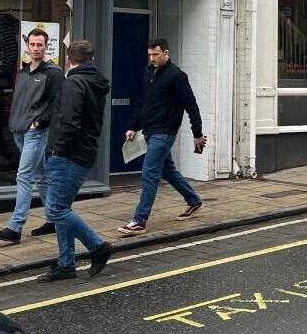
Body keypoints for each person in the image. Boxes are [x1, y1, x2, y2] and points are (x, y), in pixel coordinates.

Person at [39, 40, 114, 282]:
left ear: (69, 60)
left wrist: (57, 149)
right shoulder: (95, 82)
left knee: (56, 210)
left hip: (69, 155)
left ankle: (97, 246)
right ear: (91, 59)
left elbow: (69, 122)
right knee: (62, 208)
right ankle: (66, 264)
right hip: (82, 152)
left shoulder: (74, 82)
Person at [118, 38, 206, 236]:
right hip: (148, 130)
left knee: (149, 172)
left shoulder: (177, 76)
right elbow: (144, 102)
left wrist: (197, 134)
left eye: (156, 55)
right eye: (149, 55)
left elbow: (191, 106)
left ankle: (139, 221)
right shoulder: (149, 72)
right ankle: (194, 200)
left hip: (165, 131)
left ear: (166, 54)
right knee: (168, 170)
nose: (152, 59)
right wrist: (133, 126)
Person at [0, 28, 62, 244]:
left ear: (46, 46)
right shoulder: (22, 73)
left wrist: (39, 122)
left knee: (24, 176)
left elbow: (58, 104)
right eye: (33, 44)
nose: (36, 48)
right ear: (27, 46)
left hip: (36, 132)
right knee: (41, 176)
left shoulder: (54, 73)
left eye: (40, 45)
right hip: (19, 132)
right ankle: (54, 219)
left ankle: (15, 226)